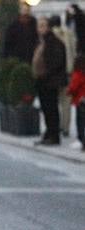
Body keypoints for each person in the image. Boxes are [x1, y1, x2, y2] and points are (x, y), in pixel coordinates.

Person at [33, 17, 67, 146]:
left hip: (50, 81)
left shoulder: (53, 42)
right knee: (46, 110)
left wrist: (46, 73)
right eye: (39, 26)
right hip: (42, 81)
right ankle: (48, 133)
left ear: (48, 27)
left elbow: (56, 62)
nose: (40, 29)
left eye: (43, 26)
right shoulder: (41, 41)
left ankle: (54, 135)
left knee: (51, 109)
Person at [50, 15, 76, 137]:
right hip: (68, 72)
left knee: (54, 102)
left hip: (54, 74)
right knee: (66, 102)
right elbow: (74, 52)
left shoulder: (50, 36)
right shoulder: (69, 34)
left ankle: (57, 126)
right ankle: (65, 127)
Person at [66, 53, 85, 150]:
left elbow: (73, 87)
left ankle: (82, 141)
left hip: (79, 101)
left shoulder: (77, 74)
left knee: (80, 122)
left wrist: (68, 92)